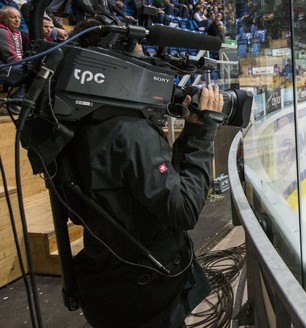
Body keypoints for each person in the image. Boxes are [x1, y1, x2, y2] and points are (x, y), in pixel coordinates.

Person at [58, 19, 223, 328]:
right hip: (148, 290)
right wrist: (203, 135)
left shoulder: (71, 124)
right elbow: (183, 210)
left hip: (107, 282)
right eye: (139, 53)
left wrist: (190, 132)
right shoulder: (128, 132)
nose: (145, 62)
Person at [0, 6, 24, 83]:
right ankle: (18, 94)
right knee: (32, 74)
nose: (17, 20)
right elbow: (11, 59)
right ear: (3, 18)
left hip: (10, 64)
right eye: (13, 17)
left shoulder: (16, 32)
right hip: (4, 67)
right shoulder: (3, 31)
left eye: (19, 17)